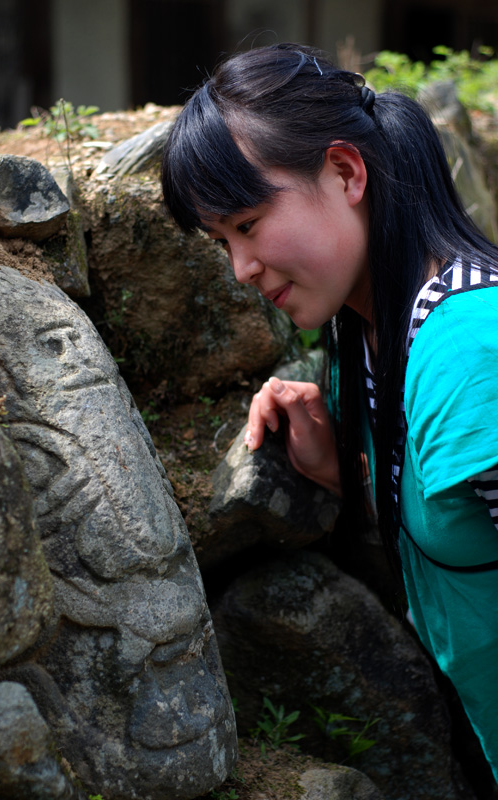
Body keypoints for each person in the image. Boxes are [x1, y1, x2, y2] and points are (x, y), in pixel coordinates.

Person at [161, 42, 498, 780]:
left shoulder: (471, 349)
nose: (239, 269)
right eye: (221, 241)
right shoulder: (375, 338)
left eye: (247, 224)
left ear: (346, 172)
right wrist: (346, 466)